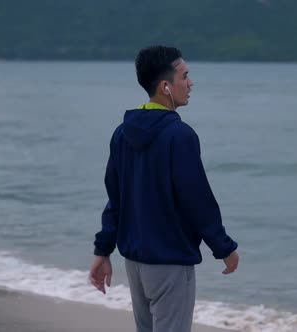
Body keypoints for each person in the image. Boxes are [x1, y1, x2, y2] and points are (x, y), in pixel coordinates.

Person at [89, 45, 239, 332]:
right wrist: (224, 247)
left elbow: (115, 199)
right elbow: (197, 200)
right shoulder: (179, 135)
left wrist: (103, 250)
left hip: (135, 263)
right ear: (165, 86)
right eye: (185, 76)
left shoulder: (122, 133)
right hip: (169, 262)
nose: (190, 83)